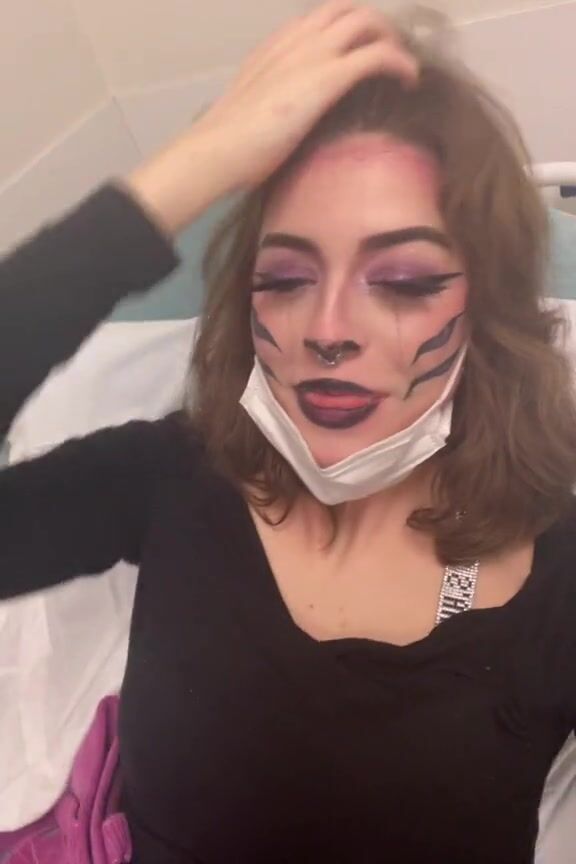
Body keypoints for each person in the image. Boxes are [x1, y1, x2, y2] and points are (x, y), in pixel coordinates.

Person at [1, 1, 576, 862]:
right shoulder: (172, 475)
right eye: (285, 277)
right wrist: (183, 175)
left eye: (404, 280)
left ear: (489, 313)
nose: (327, 330)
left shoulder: (559, 582)